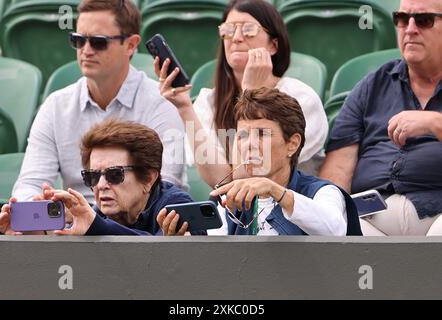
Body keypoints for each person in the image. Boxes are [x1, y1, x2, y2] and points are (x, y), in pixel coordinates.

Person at [12, 0, 186, 205]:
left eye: (98, 41)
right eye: (78, 40)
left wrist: (90, 219)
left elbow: (164, 188)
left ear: (130, 45)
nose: (86, 50)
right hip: (73, 229)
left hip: (141, 230)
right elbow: (30, 184)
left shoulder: (161, 103)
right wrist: (34, 206)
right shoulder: (55, 106)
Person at [155, 0, 327, 188]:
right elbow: (222, 183)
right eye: (228, 30)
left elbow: (246, 178)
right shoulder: (209, 101)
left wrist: (250, 93)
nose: (236, 38)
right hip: (236, 213)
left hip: (293, 206)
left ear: (274, 45)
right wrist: (184, 108)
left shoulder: (301, 97)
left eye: (249, 29)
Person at [159, 88, 362, 236]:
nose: (250, 144)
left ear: (292, 144)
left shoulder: (323, 192)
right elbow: (217, 263)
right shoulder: (229, 201)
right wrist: (184, 244)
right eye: (243, 135)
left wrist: (276, 192)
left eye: (262, 134)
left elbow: (335, 230)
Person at [319, 0, 442, 235]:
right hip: (373, 215)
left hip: (438, 212)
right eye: (403, 19)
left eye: (424, 20)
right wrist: (332, 214)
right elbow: (339, 168)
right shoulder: (371, 85)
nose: (410, 29)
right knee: (340, 235)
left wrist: (435, 123)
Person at [0, 119, 200, 236]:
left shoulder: (176, 204)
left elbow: (151, 253)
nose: (101, 185)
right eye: (92, 176)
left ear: (148, 179)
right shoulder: (96, 215)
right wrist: (6, 235)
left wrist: (95, 228)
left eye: (114, 175)